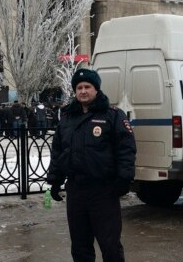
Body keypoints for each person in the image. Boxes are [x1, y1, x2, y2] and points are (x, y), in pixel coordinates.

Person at [47, 68, 137, 262]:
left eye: (87, 86)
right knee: (80, 247)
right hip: (76, 191)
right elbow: (59, 151)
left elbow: (126, 149)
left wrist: (124, 179)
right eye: (79, 87)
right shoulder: (67, 117)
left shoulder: (112, 115)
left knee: (110, 246)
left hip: (103, 191)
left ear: (96, 89)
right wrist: (55, 180)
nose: (83, 91)